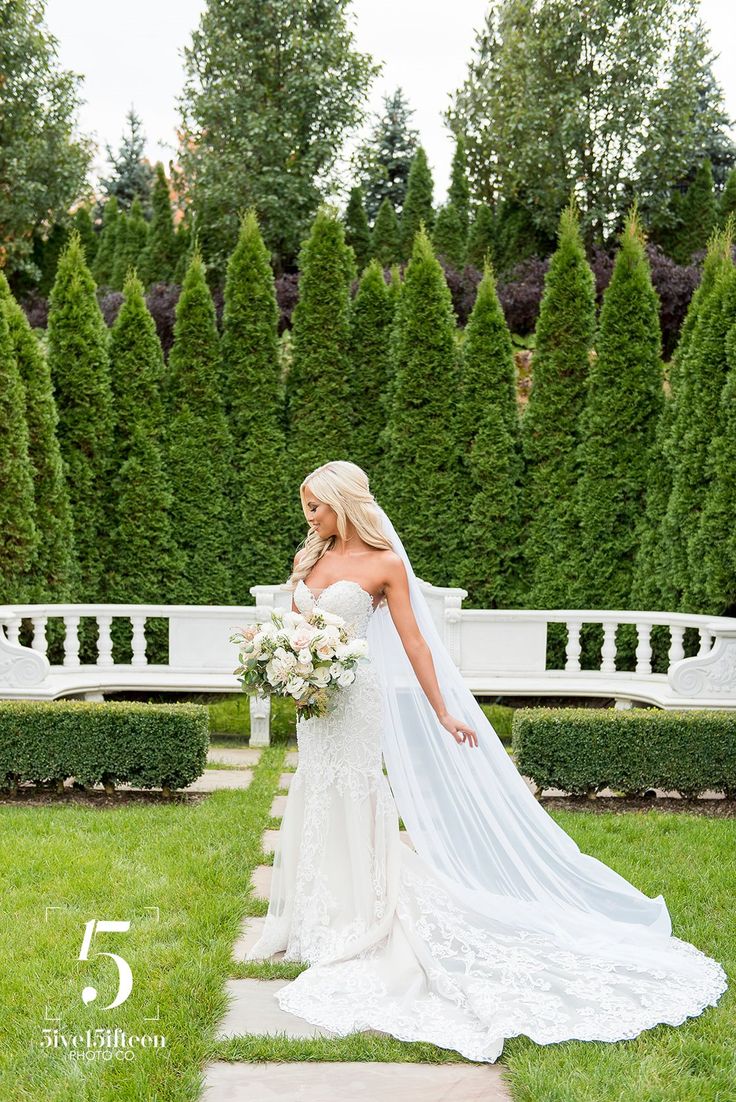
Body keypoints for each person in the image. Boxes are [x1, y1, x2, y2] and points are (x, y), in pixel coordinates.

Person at [245, 460, 727, 1063]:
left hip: (357, 699)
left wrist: (444, 713)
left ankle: (364, 915)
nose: (309, 518)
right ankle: (318, 914)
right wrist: (286, 660)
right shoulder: (310, 558)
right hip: (316, 701)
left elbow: (417, 642)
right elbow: (298, 621)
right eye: (306, 508)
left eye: (316, 506)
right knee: (317, 792)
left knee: (358, 793)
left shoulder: (385, 564)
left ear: (344, 503)